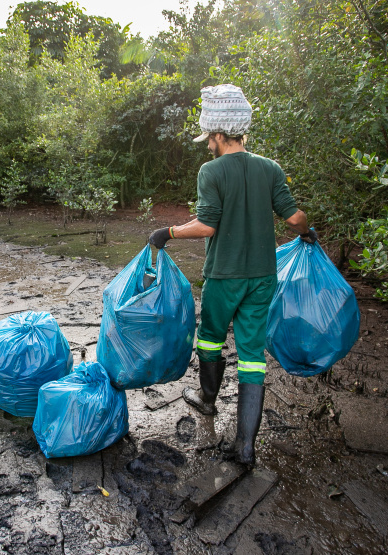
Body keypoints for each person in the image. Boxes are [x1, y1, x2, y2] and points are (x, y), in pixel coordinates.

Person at [148, 84, 317, 466]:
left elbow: (207, 225)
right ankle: (245, 446)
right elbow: (295, 218)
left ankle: (207, 402)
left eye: (210, 137)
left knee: (209, 338)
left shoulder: (212, 171)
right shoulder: (270, 168)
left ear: (220, 135)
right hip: (262, 278)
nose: (208, 144)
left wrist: (169, 233)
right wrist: (307, 233)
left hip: (225, 277)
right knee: (252, 355)